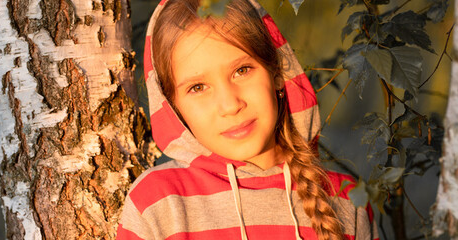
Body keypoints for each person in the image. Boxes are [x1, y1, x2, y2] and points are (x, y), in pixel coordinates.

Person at [116, 0, 378, 239]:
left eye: (242, 70)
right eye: (197, 87)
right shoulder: (158, 203)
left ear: (276, 72)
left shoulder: (345, 200)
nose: (230, 105)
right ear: (172, 106)